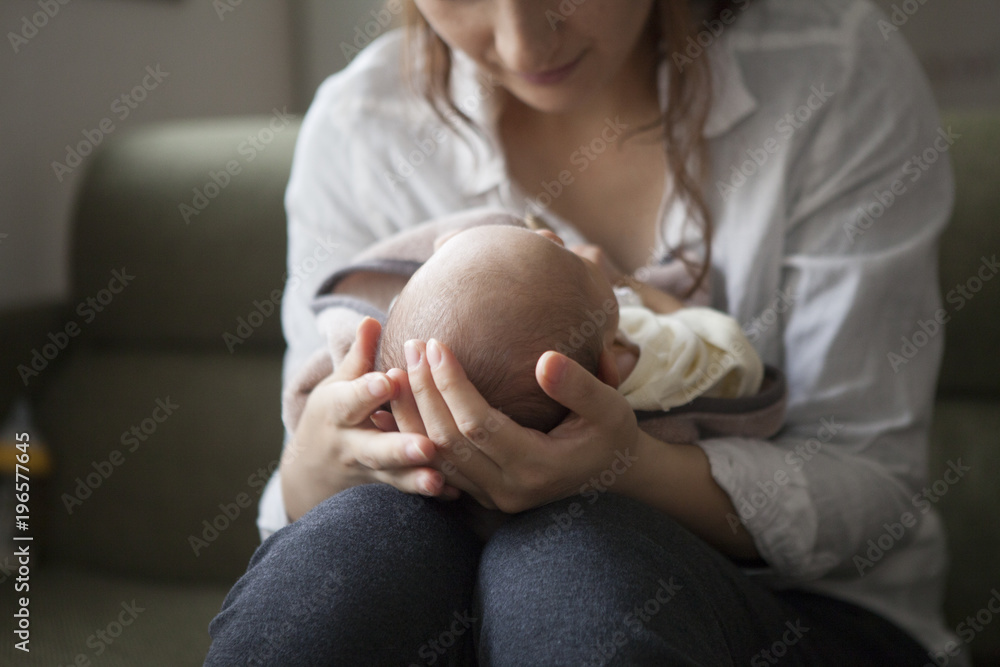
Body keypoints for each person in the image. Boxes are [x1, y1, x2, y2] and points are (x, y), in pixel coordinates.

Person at [206, 0, 961, 664]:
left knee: (566, 559)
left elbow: (873, 493)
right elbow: (297, 500)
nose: (526, 46)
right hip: (446, 602)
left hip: (802, 614)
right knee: (347, 547)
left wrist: (630, 469)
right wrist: (321, 463)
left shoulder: (831, 75)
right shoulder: (361, 128)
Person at [375, 222, 764, 433]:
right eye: (568, 259)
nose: (551, 234)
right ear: (606, 368)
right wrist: (635, 287)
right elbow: (727, 344)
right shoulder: (654, 363)